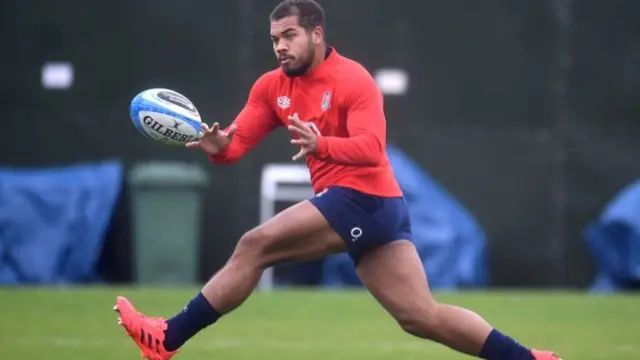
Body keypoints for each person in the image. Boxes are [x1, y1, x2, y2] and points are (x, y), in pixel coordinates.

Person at [114, 1, 561, 360]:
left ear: (316, 33)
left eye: (289, 36)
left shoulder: (353, 80)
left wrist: (322, 144)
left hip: (366, 198)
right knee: (421, 317)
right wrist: (218, 148)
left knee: (255, 245)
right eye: (274, 39)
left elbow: (372, 148)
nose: (280, 47)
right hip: (364, 208)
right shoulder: (271, 87)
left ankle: (167, 337)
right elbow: (234, 145)